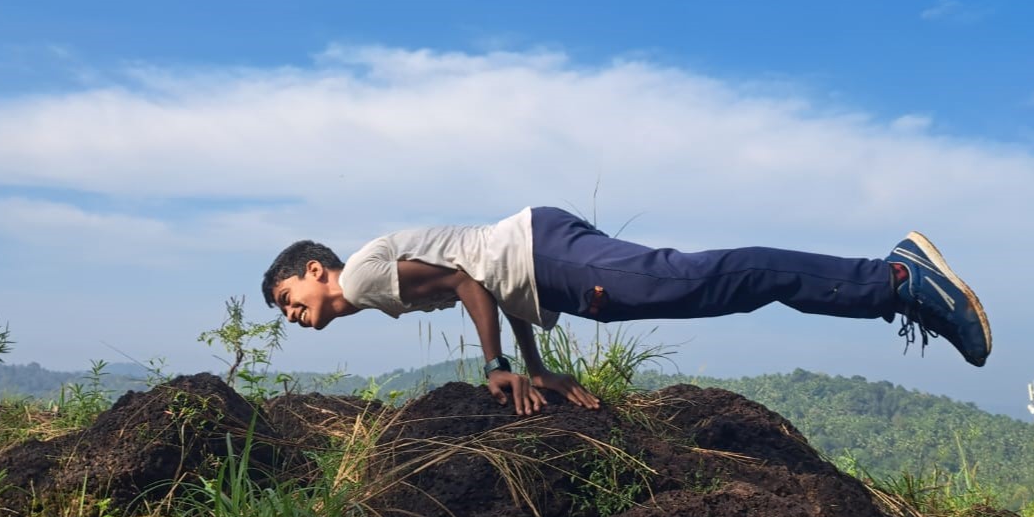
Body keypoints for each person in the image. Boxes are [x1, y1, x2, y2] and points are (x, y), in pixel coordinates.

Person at [262, 206, 991, 414]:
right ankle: (894, 288)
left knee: (711, 280)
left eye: (288, 300)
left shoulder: (358, 280)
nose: (292, 317)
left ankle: (895, 280)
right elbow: (482, 276)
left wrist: (496, 367)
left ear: (314, 272)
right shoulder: (368, 278)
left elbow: (464, 282)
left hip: (551, 259)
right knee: (716, 287)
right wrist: (536, 368)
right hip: (543, 259)